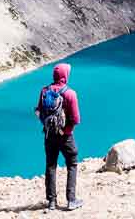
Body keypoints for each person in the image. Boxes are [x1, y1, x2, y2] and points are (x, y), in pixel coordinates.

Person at [36, 63, 83, 211]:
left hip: (49, 135)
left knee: (51, 165)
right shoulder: (70, 93)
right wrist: (64, 130)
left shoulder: (44, 91)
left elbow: (38, 112)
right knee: (72, 163)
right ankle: (71, 199)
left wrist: (48, 125)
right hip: (66, 136)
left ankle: (51, 202)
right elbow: (76, 119)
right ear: (65, 76)